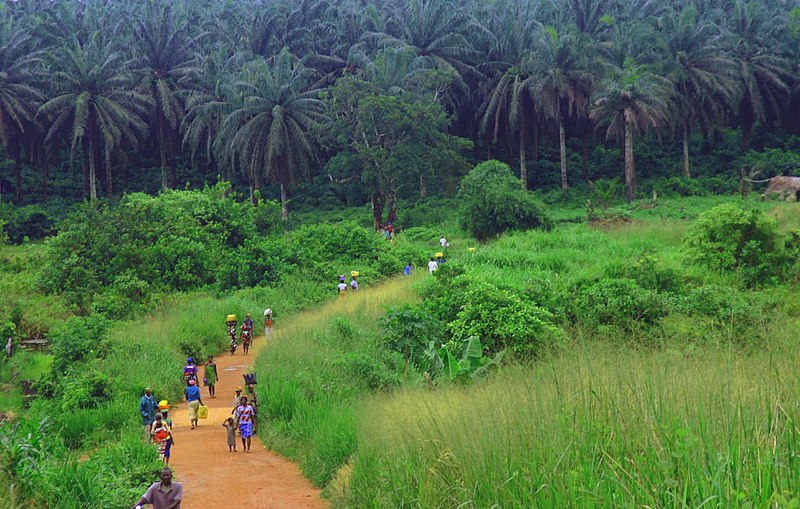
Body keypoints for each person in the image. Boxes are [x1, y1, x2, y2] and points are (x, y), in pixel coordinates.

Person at [159, 401, 174, 465]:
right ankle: (167, 463)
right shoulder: (168, 421)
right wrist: (172, 439)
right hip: (168, 437)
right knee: (167, 450)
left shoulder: (159, 422)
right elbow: (170, 430)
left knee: (161, 451)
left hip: (161, 438)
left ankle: (162, 462)